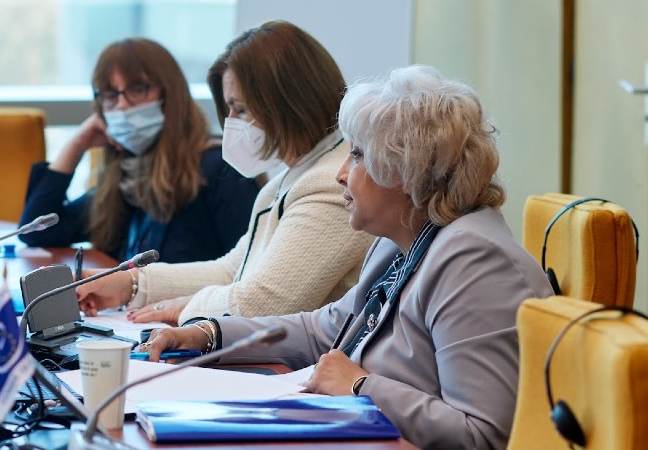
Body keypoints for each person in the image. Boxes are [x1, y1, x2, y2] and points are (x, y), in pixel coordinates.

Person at [137, 65, 554, 449]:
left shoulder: (475, 264)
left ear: (404, 171)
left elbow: (483, 435)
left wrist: (360, 386)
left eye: (356, 155)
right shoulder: (401, 239)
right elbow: (327, 328)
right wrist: (209, 334)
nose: (340, 173)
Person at [77, 21, 375, 325]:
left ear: (289, 104)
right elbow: (232, 270)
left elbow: (264, 303)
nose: (230, 123)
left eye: (241, 109)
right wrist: (129, 284)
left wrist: (185, 307)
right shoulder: (288, 180)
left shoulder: (329, 183)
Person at [18, 37, 259, 264]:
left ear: (168, 94)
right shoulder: (126, 177)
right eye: (110, 94)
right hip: (123, 308)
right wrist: (77, 144)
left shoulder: (220, 170)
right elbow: (36, 232)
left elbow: (245, 273)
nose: (122, 105)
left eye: (137, 89)